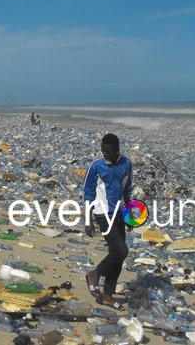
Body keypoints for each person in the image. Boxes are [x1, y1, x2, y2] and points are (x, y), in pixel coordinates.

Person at [82, 133, 132, 311]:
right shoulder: (96, 166)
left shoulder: (126, 163)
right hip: (103, 214)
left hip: (119, 213)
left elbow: (127, 191)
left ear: (117, 150)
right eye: (103, 151)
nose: (105, 154)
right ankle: (95, 274)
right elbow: (88, 192)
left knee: (117, 256)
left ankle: (107, 296)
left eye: (109, 152)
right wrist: (88, 219)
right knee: (121, 250)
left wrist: (129, 216)